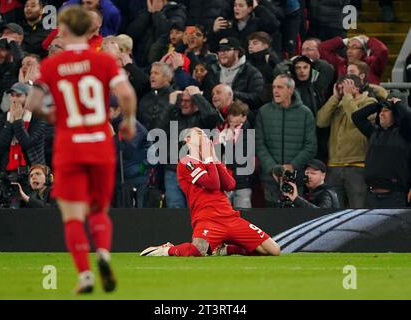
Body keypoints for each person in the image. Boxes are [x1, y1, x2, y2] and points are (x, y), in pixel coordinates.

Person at [25, 5, 137, 294]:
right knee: (99, 209)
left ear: (62, 30)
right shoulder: (103, 62)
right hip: (100, 143)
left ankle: (85, 275)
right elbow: (125, 93)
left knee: (73, 215)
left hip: (69, 147)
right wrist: (127, 121)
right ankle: (103, 253)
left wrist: (51, 115)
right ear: (90, 30)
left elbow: (32, 104)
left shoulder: (51, 66)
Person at [140, 127, 280, 257]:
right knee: (196, 250)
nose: (203, 135)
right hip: (207, 219)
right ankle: (167, 249)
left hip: (229, 217)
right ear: (188, 140)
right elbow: (213, 184)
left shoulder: (210, 162)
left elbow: (230, 184)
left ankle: (225, 249)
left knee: (273, 250)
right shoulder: (186, 162)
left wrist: (214, 158)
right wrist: (209, 158)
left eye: (205, 134)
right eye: (198, 133)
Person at [255, 74, 317, 207]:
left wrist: (291, 166)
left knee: (294, 218)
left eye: (280, 87)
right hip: (270, 177)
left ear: (290, 90)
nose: (275, 91)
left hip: (295, 177)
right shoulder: (263, 112)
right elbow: (259, 144)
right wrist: (274, 169)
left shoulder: (305, 113)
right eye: (274, 87)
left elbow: (310, 146)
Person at [316, 74, 378, 208]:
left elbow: (357, 119)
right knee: (332, 210)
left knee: (358, 210)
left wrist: (347, 97)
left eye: (344, 88)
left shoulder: (370, 103)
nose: (342, 91)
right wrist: (335, 98)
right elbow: (321, 121)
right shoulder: (338, 103)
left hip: (357, 165)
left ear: (355, 88)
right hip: (334, 165)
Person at [352, 94, 411, 208]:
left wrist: (398, 104)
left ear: (396, 114)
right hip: (371, 194)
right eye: (380, 111)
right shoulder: (374, 132)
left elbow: (408, 117)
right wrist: (378, 105)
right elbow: (356, 117)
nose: (381, 114)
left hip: (396, 195)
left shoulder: (405, 134)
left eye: (386, 111)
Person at [319, 34, 389, 84]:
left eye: (354, 47)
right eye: (348, 47)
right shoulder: (341, 64)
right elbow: (322, 49)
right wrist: (343, 41)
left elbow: (382, 51)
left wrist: (368, 41)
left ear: (363, 52)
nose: (349, 51)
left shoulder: (372, 64)